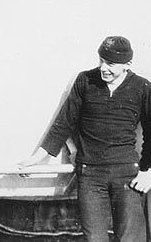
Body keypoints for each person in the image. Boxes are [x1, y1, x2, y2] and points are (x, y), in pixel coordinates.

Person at [19, 36, 151, 242]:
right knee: (94, 238)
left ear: (127, 64)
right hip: (90, 174)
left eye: (110, 64)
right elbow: (64, 123)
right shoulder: (85, 80)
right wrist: (36, 159)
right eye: (101, 60)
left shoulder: (142, 87)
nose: (103, 68)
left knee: (131, 238)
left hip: (127, 175)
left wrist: (147, 172)